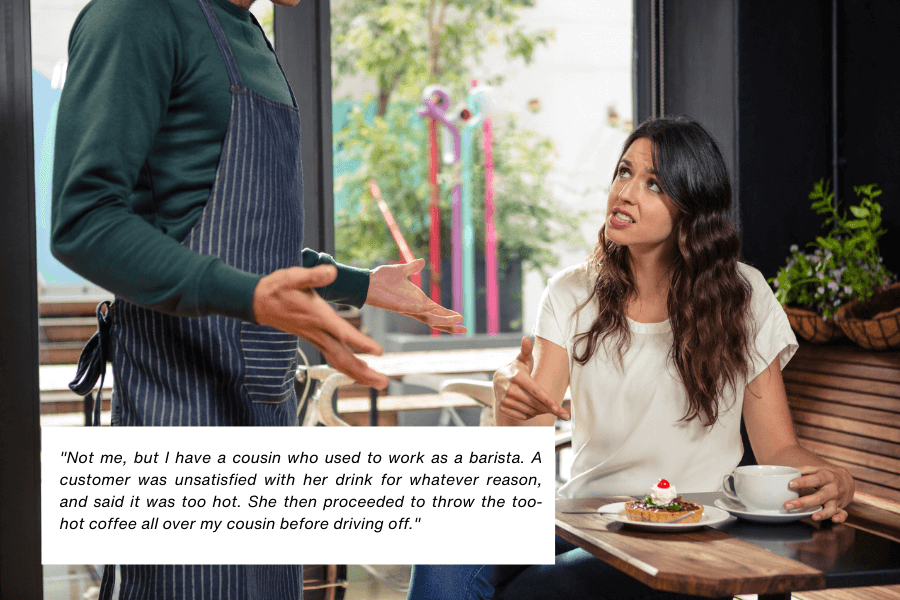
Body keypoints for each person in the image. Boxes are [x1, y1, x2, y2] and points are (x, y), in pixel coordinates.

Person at [51, 0, 464, 598]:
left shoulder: (248, 34)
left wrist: (357, 285)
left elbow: (228, 240)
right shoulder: (136, 16)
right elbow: (84, 220)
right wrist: (250, 296)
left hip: (264, 410)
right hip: (181, 416)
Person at [406, 116, 855, 600]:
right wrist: (511, 409)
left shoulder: (744, 297)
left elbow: (777, 450)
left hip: (687, 533)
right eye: (624, 171)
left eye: (653, 184)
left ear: (691, 207)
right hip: (581, 518)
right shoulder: (570, 293)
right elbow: (526, 452)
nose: (625, 192)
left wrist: (836, 480)